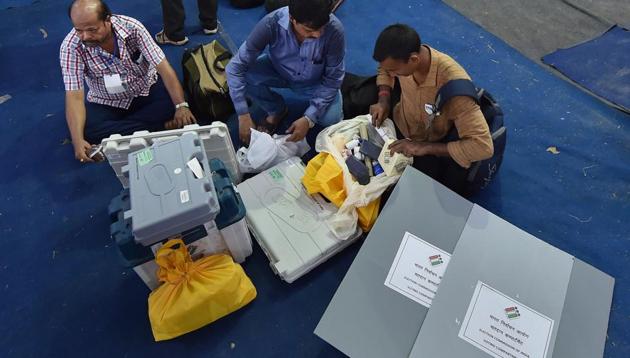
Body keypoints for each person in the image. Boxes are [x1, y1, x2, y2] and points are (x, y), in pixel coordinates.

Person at [60, 0, 196, 163]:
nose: (85, 36)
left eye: (92, 30)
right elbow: (74, 96)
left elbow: (163, 68)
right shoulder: (70, 47)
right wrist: (77, 141)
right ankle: (158, 128)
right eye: (79, 30)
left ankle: (122, 135)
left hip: (145, 89)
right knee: (82, 130)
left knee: (182, 101)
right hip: (106, 101)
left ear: (108, 20)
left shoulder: (133, 28)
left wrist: (181, 106)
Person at [370, 24, 493, 194]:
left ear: (413, 60)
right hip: (399, 120)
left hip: (430, 142)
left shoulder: (454, 87)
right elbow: (384, 68)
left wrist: (423, 148)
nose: (391, 75)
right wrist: (383, 99)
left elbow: (483, 147)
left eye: (395, 71)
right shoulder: (400, 58)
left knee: (406, 195)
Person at [226, 0, 345, 146]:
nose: (318, 34)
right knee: (245, 73)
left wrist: (309, 118)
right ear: (292, 19)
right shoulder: (271, 23)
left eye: (322, 28)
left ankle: (313, 113)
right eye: (309, 30)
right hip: (278, 70)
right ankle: (276, 110)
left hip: (314, 82)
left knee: (331, 119)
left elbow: (333, 79)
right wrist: (243, 114)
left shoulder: (334, 30)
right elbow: (235, 67)